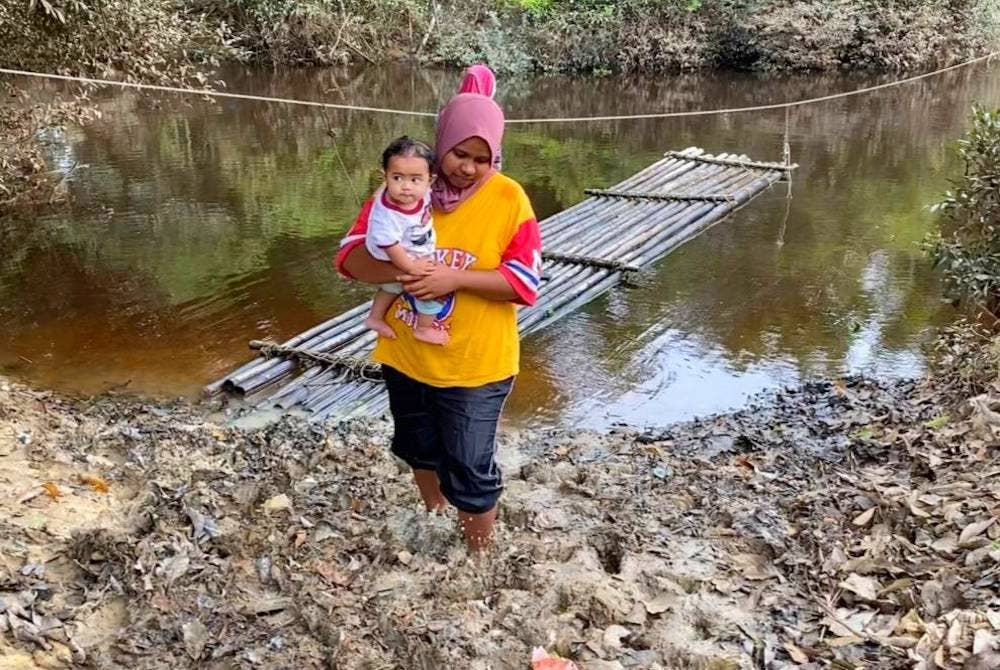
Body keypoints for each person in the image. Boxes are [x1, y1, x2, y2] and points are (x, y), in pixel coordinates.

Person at [335, 85, 542, 553]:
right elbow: (349, 260)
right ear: (440, 144)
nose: (466, 167)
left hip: (476, 364)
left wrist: (454, 278)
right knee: (417, 445)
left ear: (497, 159)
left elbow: (525, 283)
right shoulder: (403, 188)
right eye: (457, 153)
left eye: (480, 159)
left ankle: (478, 552)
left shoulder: (509, 199)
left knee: (470, 463)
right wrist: (403, 273)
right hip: (406, 354)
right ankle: (434, 514)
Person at [362, 136, 448, 346]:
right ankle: (423, 328)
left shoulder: (422, 192)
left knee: (390, 287)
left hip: (408, 247)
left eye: (414, 179)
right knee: (430, 289)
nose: (406, 187)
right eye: (397, 178)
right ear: (385, 177)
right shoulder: (387, 216)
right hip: (394, 254)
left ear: (430, 180)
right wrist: (412, 268)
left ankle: (374, 318)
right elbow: (390, 247)